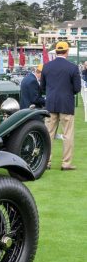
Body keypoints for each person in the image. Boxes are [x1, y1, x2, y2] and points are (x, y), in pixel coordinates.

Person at [40, 41, 82, 171]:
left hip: (51, 103)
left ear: (56, 51)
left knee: (48, 134)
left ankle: (46, 162)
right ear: (67, 51)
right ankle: (66, 163)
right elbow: (77, 88)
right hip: (66, 104)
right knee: (67, 134)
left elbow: (42, 88)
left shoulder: (46, 67)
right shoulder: (73, 67)